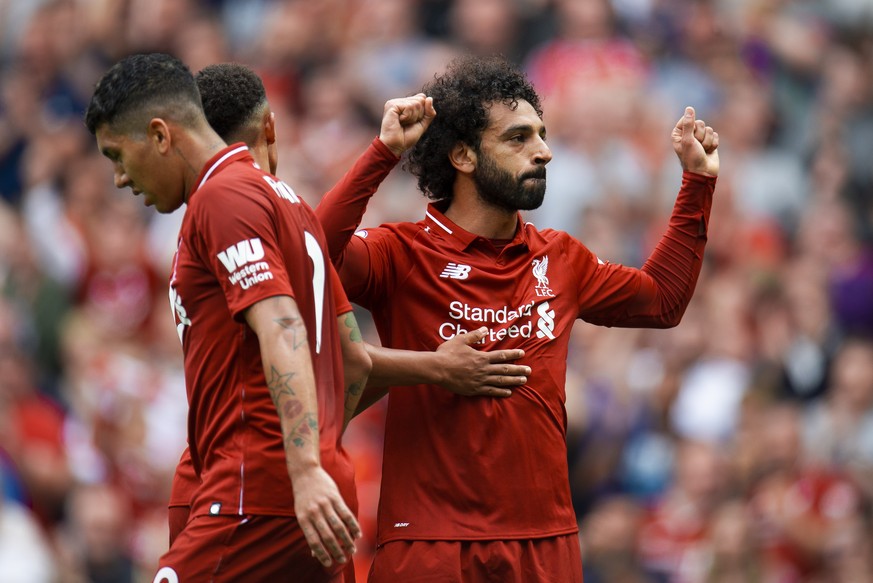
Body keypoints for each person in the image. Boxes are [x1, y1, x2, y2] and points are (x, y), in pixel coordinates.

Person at [314, 54, 720, 581]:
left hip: (545, 543)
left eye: (542, 135)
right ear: (462, 155)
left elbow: (663, 300)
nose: (544, 152)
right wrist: (384, 151)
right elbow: (314, 253)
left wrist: (696, 182)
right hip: (430, 541)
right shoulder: (402, 252)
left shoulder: (560, 257)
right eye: (519, 138)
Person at [165, 62, 532, 580]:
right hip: (278, 477)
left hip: (245, 477)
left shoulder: (232, 208)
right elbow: (341, 355)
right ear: (270, 127)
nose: (120, 177)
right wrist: (437, 368)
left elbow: (338, 354)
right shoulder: (271, 209)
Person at [85, 53, 362, 581]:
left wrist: (302, 470)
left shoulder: (223, 197)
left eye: (117, 155)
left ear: (161, 135)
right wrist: (319, 456)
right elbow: (354, 363)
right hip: (301, 482)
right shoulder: (288, 202)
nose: (119, 178)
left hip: (257, 487)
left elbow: (281, 324)